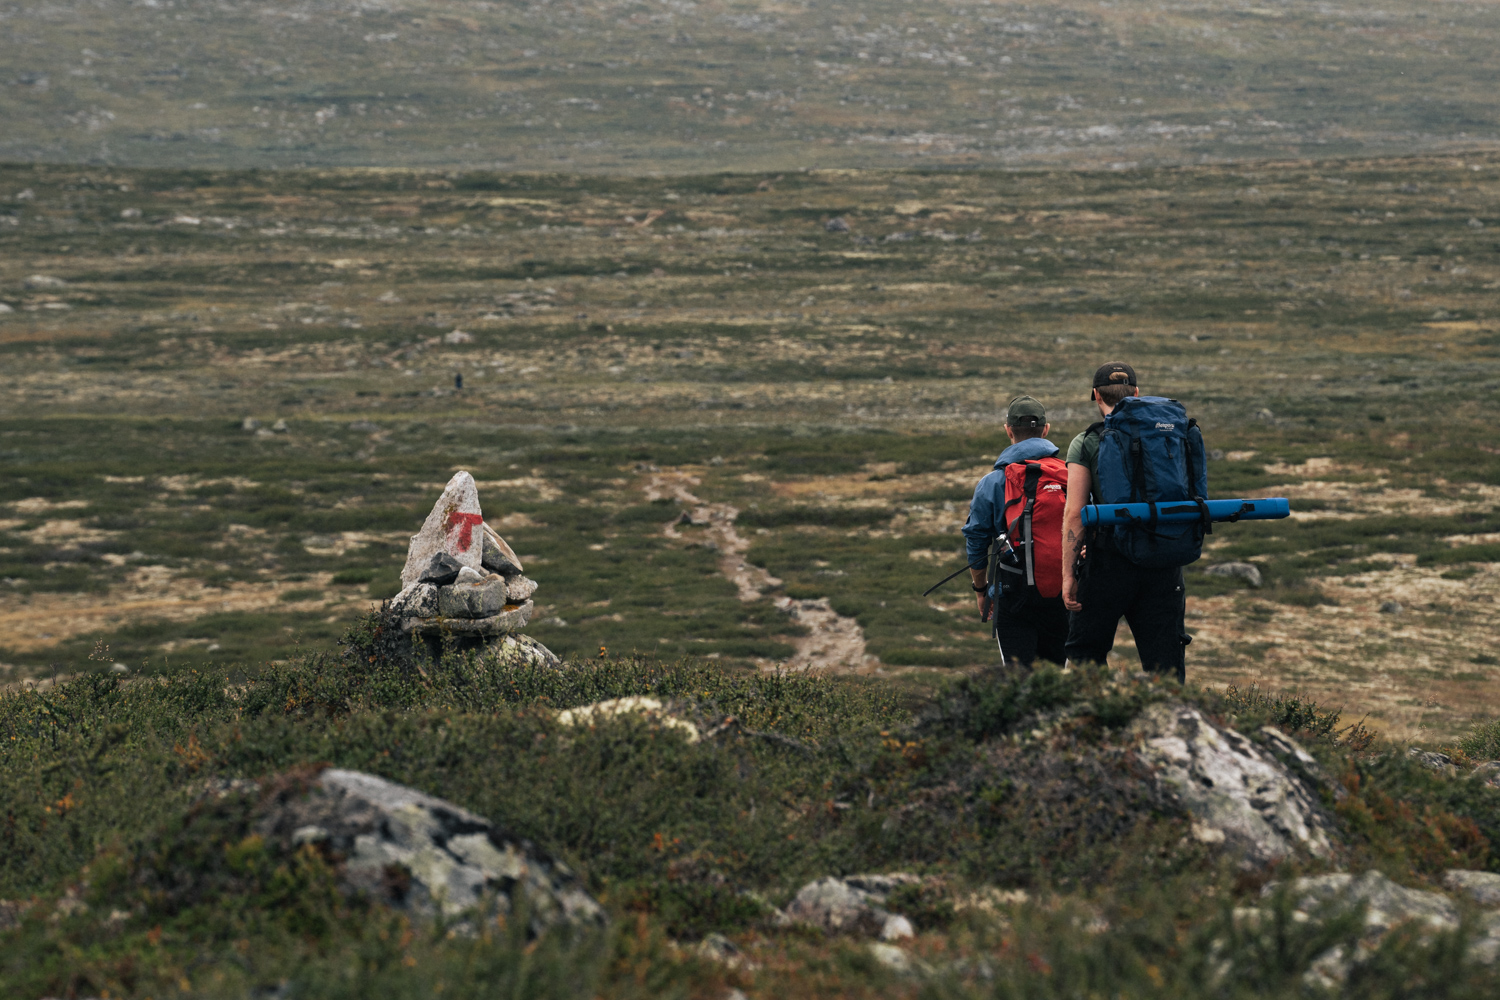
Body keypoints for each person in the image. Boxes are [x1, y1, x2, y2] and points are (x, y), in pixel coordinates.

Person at [1060, 362, 1188, 681]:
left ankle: (1093, 725)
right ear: (1136, 394)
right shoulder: (1171, 434)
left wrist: (1068, 575)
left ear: (1095, 395)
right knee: (1166, 661)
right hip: (1164, 558)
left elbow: (1074, 513)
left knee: (1085, 655)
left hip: (1107, 561)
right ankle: (1175, 728)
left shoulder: (1087, 441)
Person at [961, 395, 1070, 668]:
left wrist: (981, 590)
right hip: (1065, 593)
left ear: (1008, 429)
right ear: (1046, 430)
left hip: (1013, 594)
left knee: (1018, 680)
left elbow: (976, 541)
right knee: (1056, 678)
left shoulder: (992, 482)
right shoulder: (1071, 475)